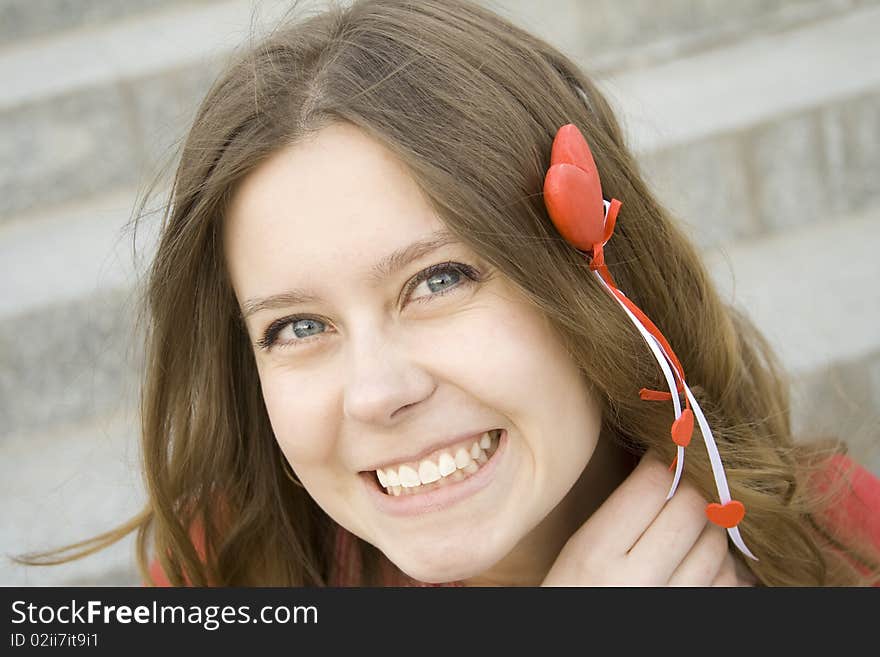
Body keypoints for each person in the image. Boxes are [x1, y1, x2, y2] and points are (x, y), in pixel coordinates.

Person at [26, 0, 880, 586]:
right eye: (296, 325)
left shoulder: (831, 541)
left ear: (591, 271)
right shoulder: (222, 566)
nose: (377, 392)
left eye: (439, 279)